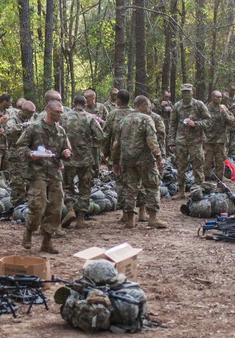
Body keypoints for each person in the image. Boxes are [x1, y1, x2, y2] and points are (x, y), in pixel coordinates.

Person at [16, 100, 72, 254]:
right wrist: (30, 154)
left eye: (61, 112)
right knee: (37, 206)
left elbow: (66, 149)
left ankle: (47, 240)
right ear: (48, 111)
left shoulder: (61, 131)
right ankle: (29, 231)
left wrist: (66, 153)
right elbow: (20, 148)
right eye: (57, 112)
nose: (60, 115)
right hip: (37, 173)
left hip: (54, 173)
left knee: (55, 208)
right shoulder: (34, 128)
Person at [112, 96, 167, 229]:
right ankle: (153, 218)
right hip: (145, 160)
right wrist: (159, 157)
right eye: (148, 106)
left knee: (131, 188)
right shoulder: (146, 119)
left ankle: (130, 220)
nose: (149, 109)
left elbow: (116, 143)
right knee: (153, 186)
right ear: (142, 105)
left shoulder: (124, 120)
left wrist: (115, 162)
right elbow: (152, 141)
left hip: (127, 160)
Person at [61, 95, 105, 229]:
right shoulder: (90, 118)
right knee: (85, 188)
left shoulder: (64, 117)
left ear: (73, 103)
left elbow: (58, 134)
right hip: (85, 159)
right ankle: (80, 219)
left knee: (67, 186)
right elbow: (100, 137)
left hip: (68, 158)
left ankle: (70, 210)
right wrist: (89, 144)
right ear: (85, 105)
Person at [169, 84, 211, 199]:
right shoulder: (177, 106)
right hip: (181, 141)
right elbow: (172, 125)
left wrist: (196, 124)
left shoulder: (199, 105)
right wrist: (171, 142)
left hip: (196, 141)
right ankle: (181, 191)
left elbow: (208, 121)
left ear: (192, 92)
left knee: (198, 166)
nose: (186, 94)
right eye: (184, 92)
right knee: (180, 167)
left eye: (188, 91)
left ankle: (198, 191)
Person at [4, 100, 36, 205]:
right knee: (17, 184)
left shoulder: (32, 118)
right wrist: (24, 125)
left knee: (29, 182)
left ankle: (25, 208)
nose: (31, 115)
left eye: (33, 113)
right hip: (16, 157)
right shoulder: (13, 119)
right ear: (23, 110)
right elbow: (8, 130)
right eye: (30, 113)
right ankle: (16, 206)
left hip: (28, 155)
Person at [202, 90, 235, 181]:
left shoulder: (223, 108)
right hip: (209, 140)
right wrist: (203, 138)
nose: (219, 99)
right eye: (217, 97)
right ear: (212, 97)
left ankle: (220, 180)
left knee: (220, 161)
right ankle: (206, 180)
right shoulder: (206, 109)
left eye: (220, 97)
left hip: (220, 140)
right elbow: (201, 123)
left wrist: (225, 114)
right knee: (207, 162)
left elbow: (232, 121)